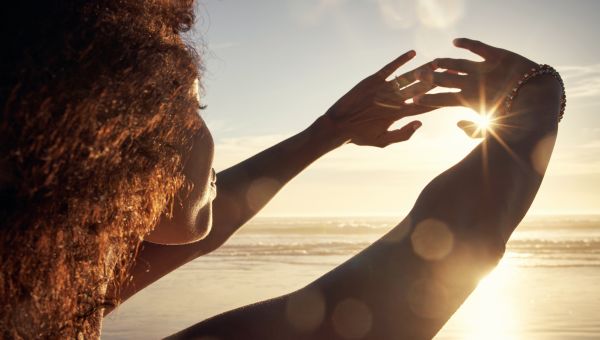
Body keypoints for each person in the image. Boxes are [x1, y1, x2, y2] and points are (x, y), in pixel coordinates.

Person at [0, 1, 564, 339]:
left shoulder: (29, 293)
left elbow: (187, 234)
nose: (206, 134)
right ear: (113, 136)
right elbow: (427, 269)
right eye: (194, 106)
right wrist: (536, 105)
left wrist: (328, 132)